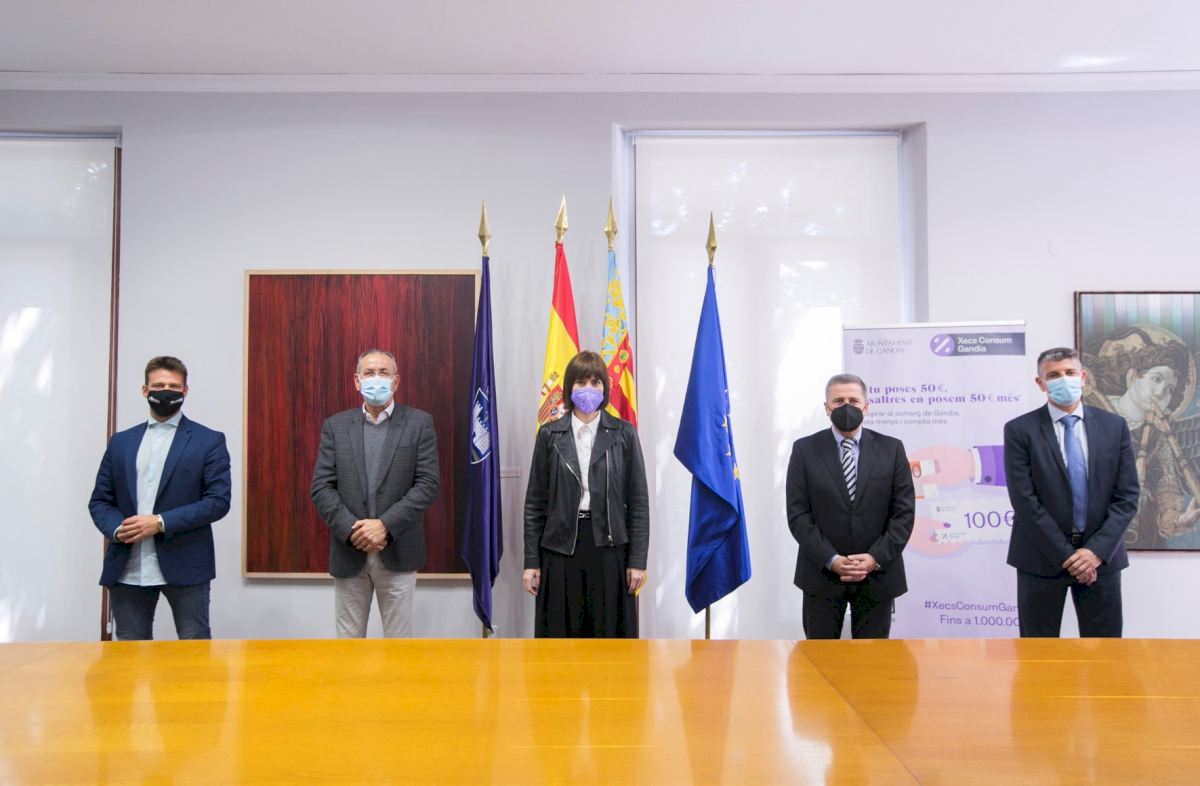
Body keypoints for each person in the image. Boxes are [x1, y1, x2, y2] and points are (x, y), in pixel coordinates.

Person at [88, 356, 231, 640]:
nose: (166, 391)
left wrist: (160, 522)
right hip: (126, 567)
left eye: (174, 387)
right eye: (159, 386)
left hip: (187, 563)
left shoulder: (209, 440)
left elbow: (218, 501)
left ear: (185, 391)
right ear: (145, 390)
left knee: (194, 651)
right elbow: (100, 501)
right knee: (129, 655)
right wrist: (117, 529)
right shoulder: (121, 442)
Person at [1004, 347, 1140, 637]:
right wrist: (1070, 556)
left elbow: (1127, 497)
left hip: (1101, 559)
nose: (1063, 380)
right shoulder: (1020, 430)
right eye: (1053, 375)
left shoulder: (1114, 426)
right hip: (1040, 557)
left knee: (1104, 653)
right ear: (1040, 383)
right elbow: (1025, 501)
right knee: (1039, 654)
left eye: (1069, 372)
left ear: (1083, 377)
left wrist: (1094, 553)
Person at [310, 348, 440, 638]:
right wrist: (354, 530)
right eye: (369, 373)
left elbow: (428, 484)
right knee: (348, 646)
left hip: (398, 550)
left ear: (396, 381)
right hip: (349, 550)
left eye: (384, 372)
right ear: (357, 381)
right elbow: (321, 487)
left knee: (398, 645)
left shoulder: (419, 423)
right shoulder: (335, 426)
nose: (376, 378)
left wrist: (385, 526)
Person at [522, 350, 649, 637]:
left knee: (609, 641)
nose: (588, 389)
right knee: (561, 640)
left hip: (610, 548)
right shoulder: (550, 435)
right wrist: (531, 562)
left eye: (595, 382)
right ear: (569, 387)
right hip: (560, 548)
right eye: (580, 382)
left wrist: (637, 561)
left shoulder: (624, 434)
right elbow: (534, 505)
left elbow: (639, 503)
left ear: (605, 388)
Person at [785, 373, 915, 639]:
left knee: (872, 660)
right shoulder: (804, 450)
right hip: (821, 576)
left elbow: (903, 514)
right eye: (838, 401)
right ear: (826, 408)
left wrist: (874, 559)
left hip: (877, 576)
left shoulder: (892, 449)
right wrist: (831, 560)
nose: (846, 407)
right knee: (820, 659)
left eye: (853, 401)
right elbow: (798, 514)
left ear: (866, 406)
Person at [1082, 326, 1199, 547]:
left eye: (1170, 389)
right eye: (1156, 379)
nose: (1160, 392)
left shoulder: (1159, 435)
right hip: (1092, 524)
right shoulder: (1093, 410)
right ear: (1132, 377)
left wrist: (1180, 520)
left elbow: (1166, 488)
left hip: (1141, 534)